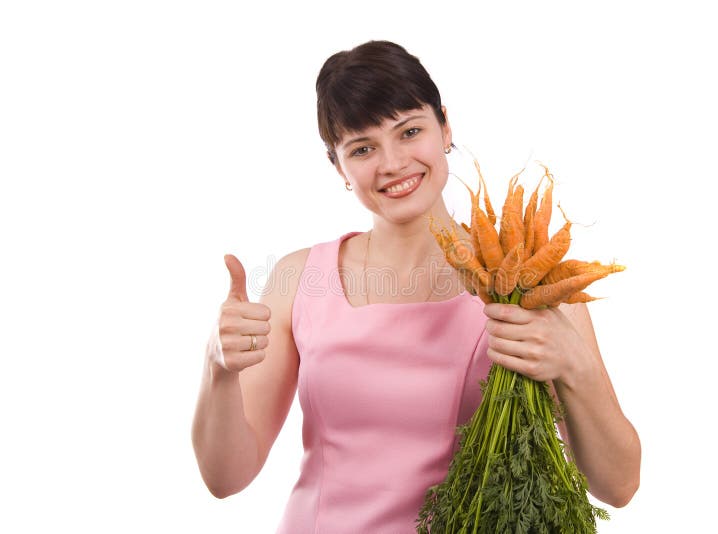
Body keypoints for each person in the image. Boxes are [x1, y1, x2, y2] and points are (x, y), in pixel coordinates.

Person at [191, 40, 641, 532]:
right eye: (362, 148)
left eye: (409, 132)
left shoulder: (532, 285)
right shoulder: (300, 280)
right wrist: (218, 368)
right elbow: (225, 477)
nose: (392, 164)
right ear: (338, 166)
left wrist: (574, 366)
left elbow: (618, 486)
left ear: (445, 126)